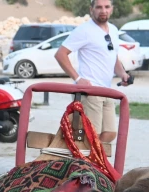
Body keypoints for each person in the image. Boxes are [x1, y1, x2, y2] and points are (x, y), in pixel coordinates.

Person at [55, 0, 131, 144]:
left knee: (110, 133)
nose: (103, 10)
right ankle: (85, 164)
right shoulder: (84, 30)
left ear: (112, 9)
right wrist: (78, 79)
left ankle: (93, 163)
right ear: (91, 9)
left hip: (106, 90)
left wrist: (123, 74)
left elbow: (112, 56)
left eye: (107, 7)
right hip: (90, 92)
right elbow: (60, 54)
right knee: (90, 135)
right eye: (99, 7)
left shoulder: (114, 30)